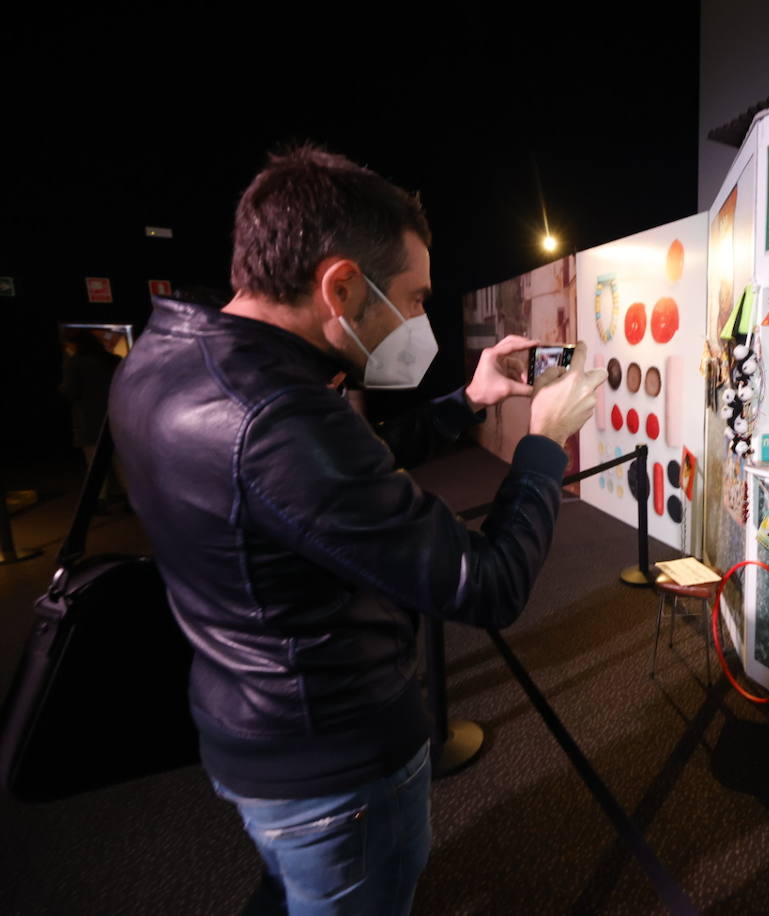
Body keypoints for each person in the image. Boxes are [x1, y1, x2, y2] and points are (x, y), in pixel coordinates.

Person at [107, 146, 606, 915]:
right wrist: (544, 444)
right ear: (340, 284)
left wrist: (467, 400)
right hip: (334, 763)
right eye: (413, 297)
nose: (418, 320)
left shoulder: (175, 358)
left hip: (248, 724)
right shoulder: (275, 417)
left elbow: (328, 481)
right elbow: (489, 583)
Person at [58, 329, 124, 505]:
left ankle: (100, 500)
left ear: (76, 345)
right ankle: (130, 499)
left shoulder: (74, 364)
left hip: (90, 420)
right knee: (121, 462)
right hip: (117, 418)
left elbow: (70, 392)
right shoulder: (113, 360)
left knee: (95, 464)